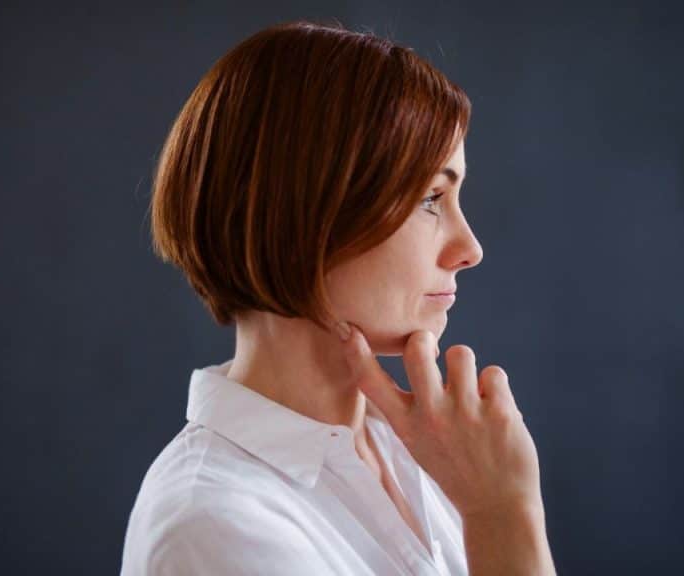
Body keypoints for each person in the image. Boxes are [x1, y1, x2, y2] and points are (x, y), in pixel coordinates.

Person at [121, 19, 556, 575]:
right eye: (430, 198)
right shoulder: (215, 527)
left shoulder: (417, 453)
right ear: (302, 213)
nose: (468, 248)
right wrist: (504, 515)